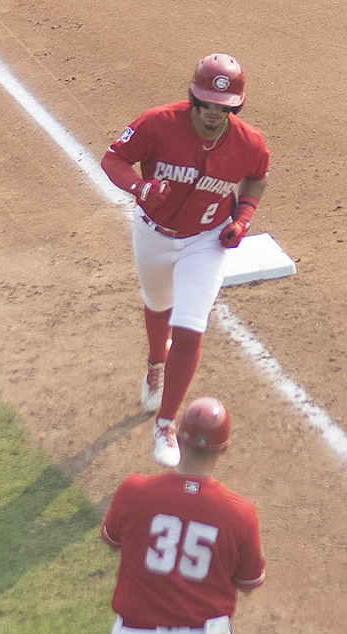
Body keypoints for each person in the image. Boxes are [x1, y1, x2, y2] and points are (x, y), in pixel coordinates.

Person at [101, 53, 271, 467]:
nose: (215, 114)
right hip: (154, 234)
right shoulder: (158, 123)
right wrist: (139, 187)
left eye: (225, 107)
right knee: (158, 303)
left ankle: (166, 424)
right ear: (193, 100)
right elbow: (113, 159)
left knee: (191, 326)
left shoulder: (248, 142)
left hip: (206, 240)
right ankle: (155, 363)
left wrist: (243, 218)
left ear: (237, 107)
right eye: (207, 105)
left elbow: (257, 176)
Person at [101, 397, 266, 634]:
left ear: (176, 437)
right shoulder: (240, 513)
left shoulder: (134, 491)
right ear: (225, 449)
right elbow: (249, 582)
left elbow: (111, 539)